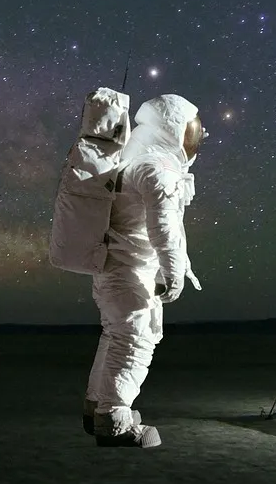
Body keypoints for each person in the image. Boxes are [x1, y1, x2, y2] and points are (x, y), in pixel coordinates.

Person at [83, 94, 206, 447]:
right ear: (173, 132)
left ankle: (97, 407)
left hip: (113, 268)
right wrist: (173, 271)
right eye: (190, 132)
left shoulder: (132, 160)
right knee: (135, 341)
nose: (194, 140)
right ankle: (114, 420)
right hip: (130, 270)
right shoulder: (156, 167)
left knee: (115, 336)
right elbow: (163, 225)